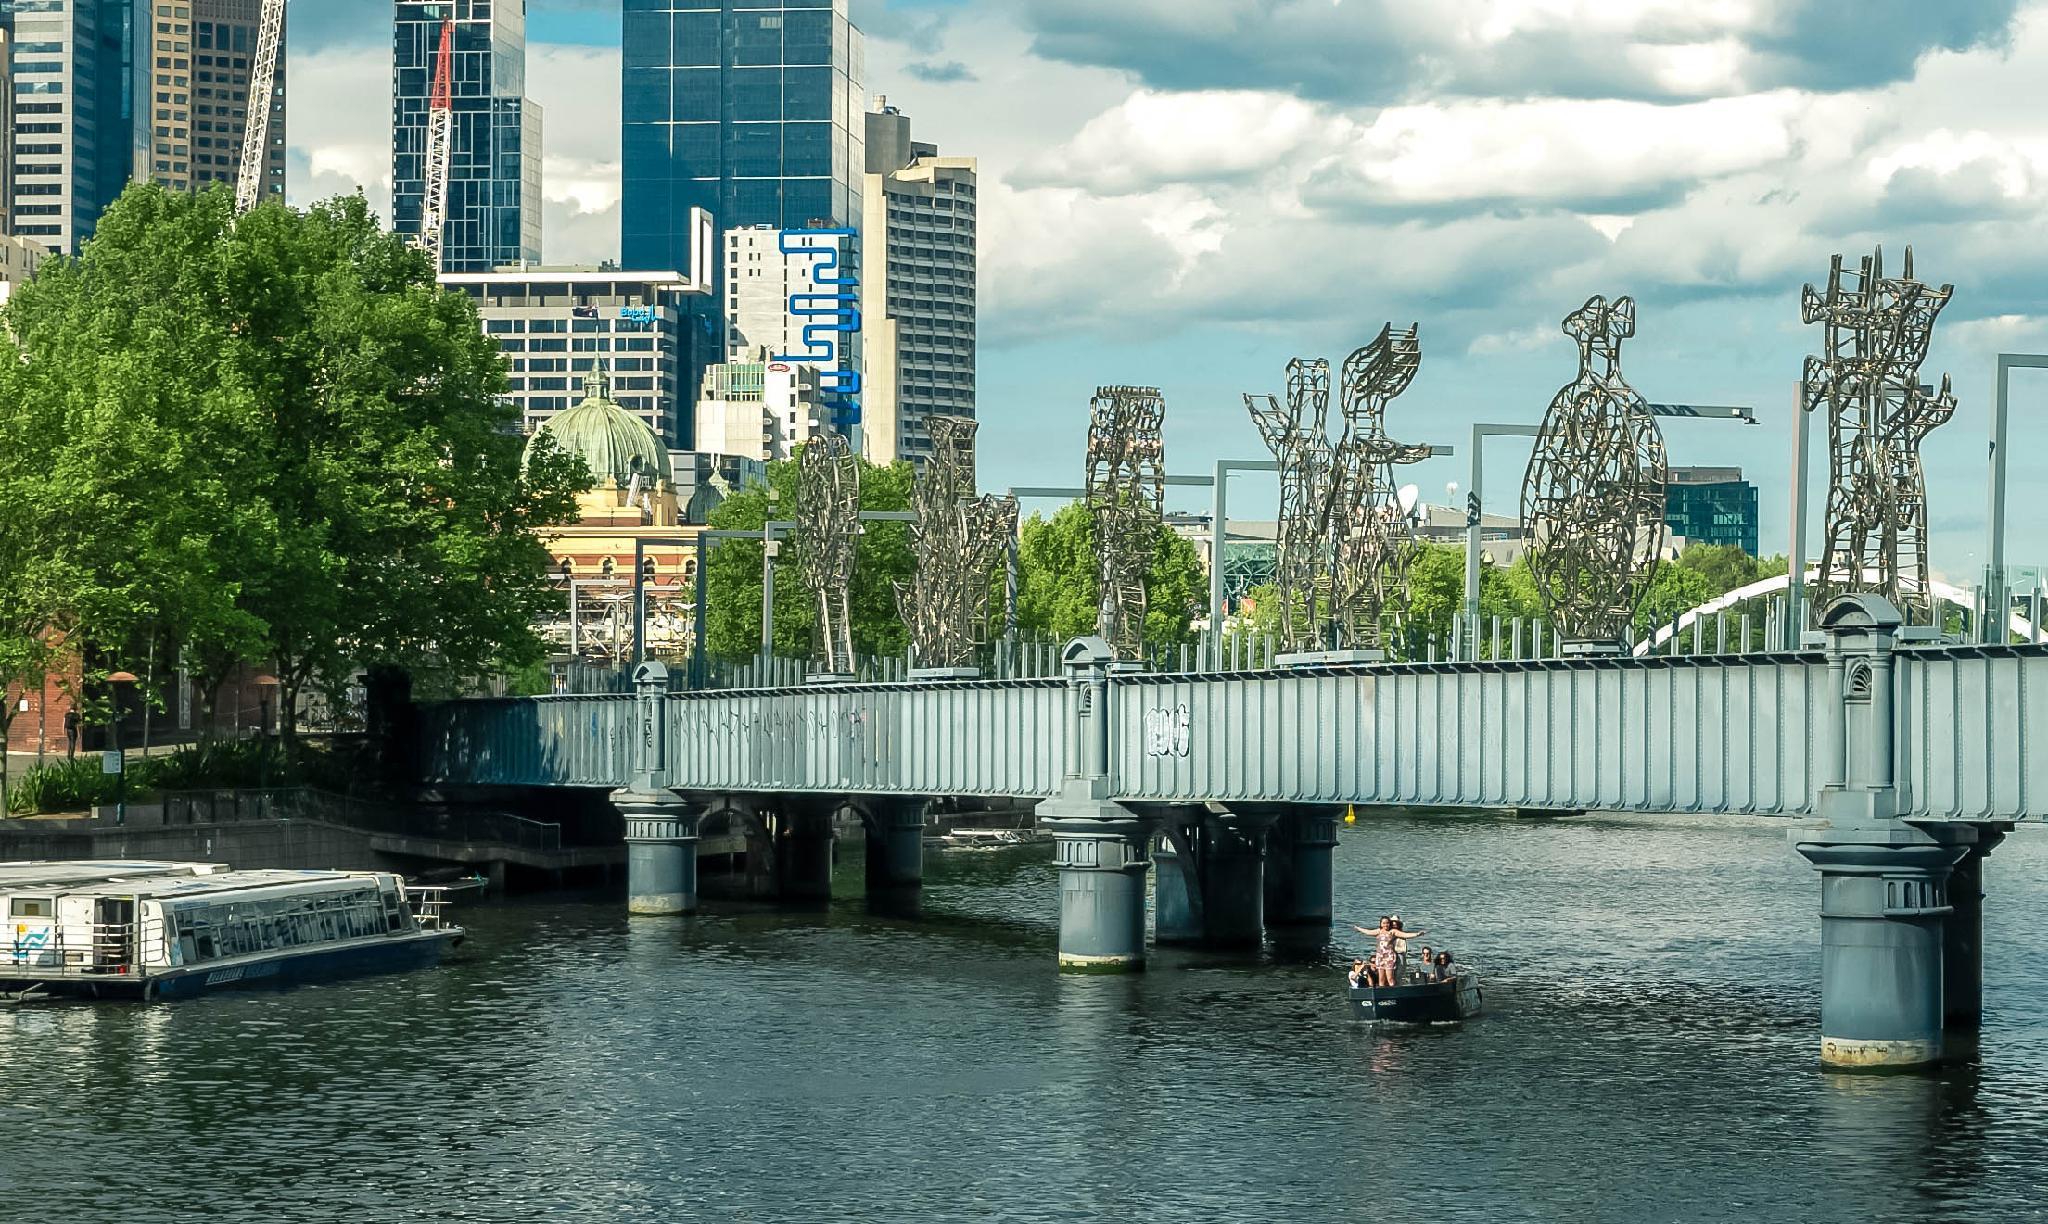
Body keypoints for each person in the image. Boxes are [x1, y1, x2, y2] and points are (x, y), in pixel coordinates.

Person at [1352, 916, 1426, 987]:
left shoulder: (1393, 931)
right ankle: (1382, 994)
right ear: (1381, 924)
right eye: (1384, 923)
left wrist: (1417, 934)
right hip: (1380, 957)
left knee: (1390, 978)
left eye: (1387, 923)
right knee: (1381, 979)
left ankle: (1393, 992)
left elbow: (1405, 935)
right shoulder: (1379, 931)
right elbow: (1368, 932)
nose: (1385, 925)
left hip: (1389, 957)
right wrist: (1358, 928)